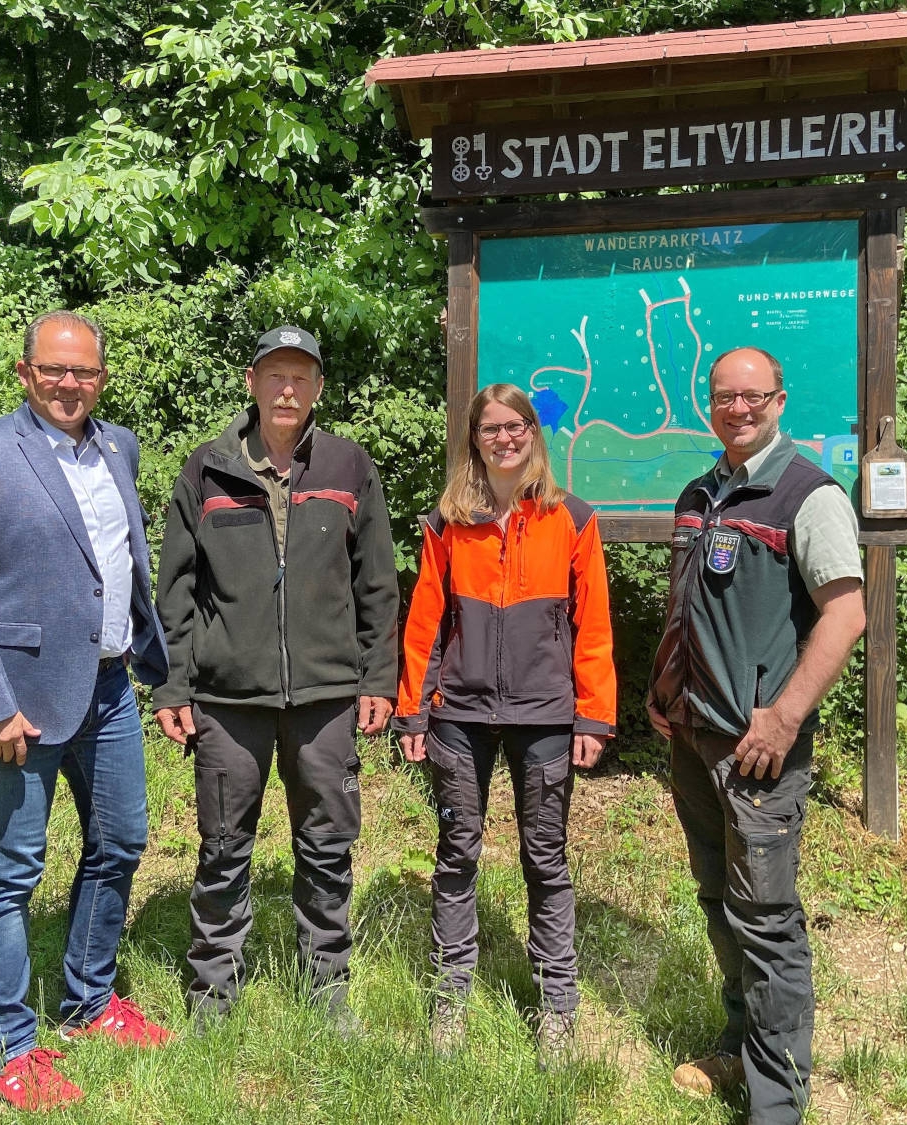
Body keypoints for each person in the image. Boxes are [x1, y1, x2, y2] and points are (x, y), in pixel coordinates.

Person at [0, 310, 172, 1112]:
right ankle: (10, 1045)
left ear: (102, 377)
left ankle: (89, 1000)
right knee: (11, 871)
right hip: (19, 705)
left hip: (109, 688)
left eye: (84, 371)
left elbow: (117, 565)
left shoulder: (119, 446)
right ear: (25, 372)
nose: (70, 384)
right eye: (55, 369)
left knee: (121, 840)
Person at [152, 324, 398, 1034]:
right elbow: (176, 590)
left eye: (301, 377)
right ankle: (213, 993)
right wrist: (173, 685)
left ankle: (327, 988)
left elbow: (377, 585)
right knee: (223, 845)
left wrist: (378, 679)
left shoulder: (349, 466)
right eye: (275, 376)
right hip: (228, 698)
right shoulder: (207, 469)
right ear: (252, 383)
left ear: (317, 388)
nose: (287, 390)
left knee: (327, 844)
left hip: (327, 696)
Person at [647, 347, 866, 1124]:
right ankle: (741, 1049)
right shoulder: (700, 493)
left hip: (759, 749)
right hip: (694, 737)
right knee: (719, 899)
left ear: (779, 399)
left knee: (766, 921)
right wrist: (665, 685)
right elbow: (689, 606)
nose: (737, 408)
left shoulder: (810, 496)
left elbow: (846, 614)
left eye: (752, 396)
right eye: (723, 397)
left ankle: (776, 1102)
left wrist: (784, 714)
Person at [395, 383, 616, 1066]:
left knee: (545, 858)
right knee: (457, 853)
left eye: (516, 425)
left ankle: (557, 1006)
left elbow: (593, 625)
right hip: (458, 713)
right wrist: (413, 708)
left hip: (545, 712)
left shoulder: (571, 517)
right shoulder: (448, 521)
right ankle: (450, 995)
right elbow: (425, 620)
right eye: (491, 428)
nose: (505, 438)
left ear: (532, 432)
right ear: (475, 438)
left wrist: (594, 715)